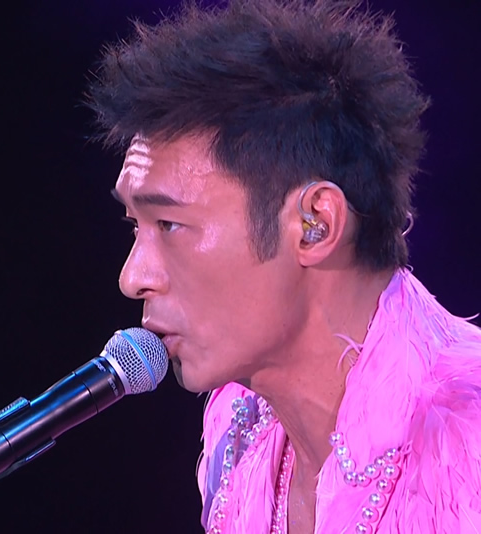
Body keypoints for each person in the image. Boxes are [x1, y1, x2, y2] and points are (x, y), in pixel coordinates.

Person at [85, 1, 481, 532]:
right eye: (136, 226)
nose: (132, 278)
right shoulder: (239, 427)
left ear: (316, 224)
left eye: (170, 224)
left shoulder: (468, 440)